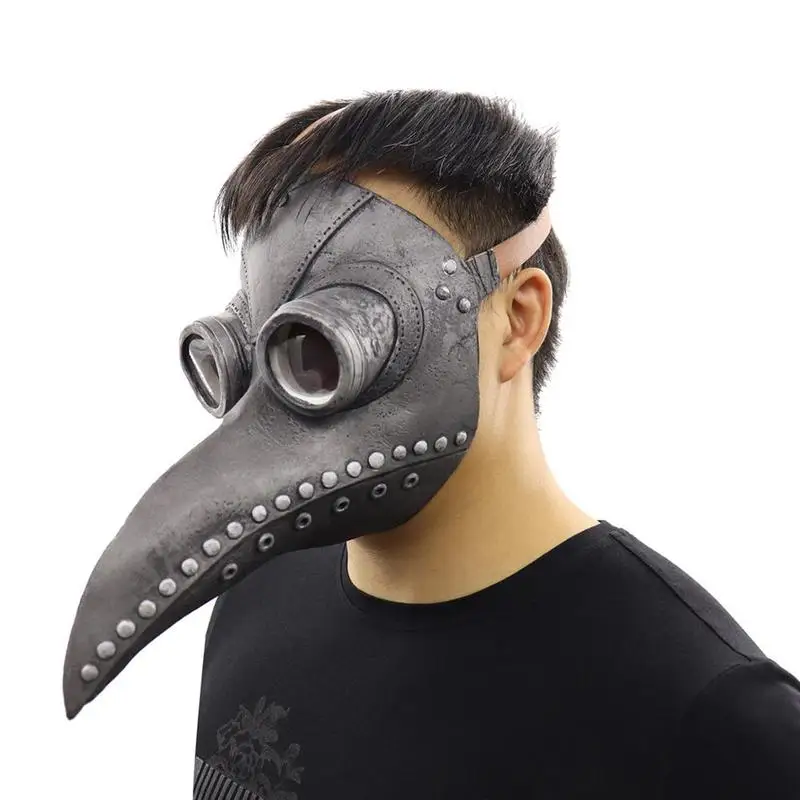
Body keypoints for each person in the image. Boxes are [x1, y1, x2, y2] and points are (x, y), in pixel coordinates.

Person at [61, 89, 800, 799]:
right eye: (267, 345)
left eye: (324, 347)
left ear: (518, 319)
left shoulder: (715, 719)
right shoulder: (261, 586)